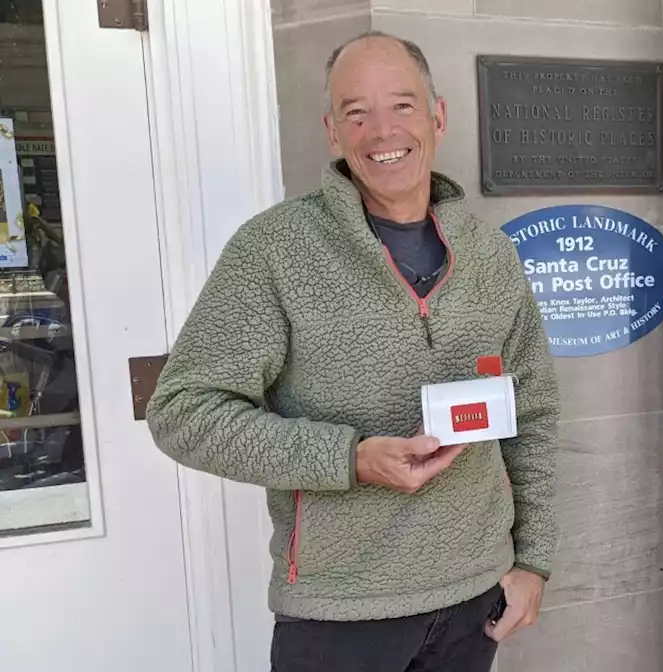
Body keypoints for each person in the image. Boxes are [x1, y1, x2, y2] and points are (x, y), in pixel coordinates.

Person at [146, 30, 559, 672]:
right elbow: (181, 411)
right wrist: (347, 458)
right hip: (336, 616)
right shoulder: (274, 251)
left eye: (401, 106)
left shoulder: (491, 256)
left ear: (437, 117)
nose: (380, 130)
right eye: (355, 113)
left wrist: (533, 560)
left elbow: (531, 414)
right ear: (333, 132)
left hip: (474, 599)